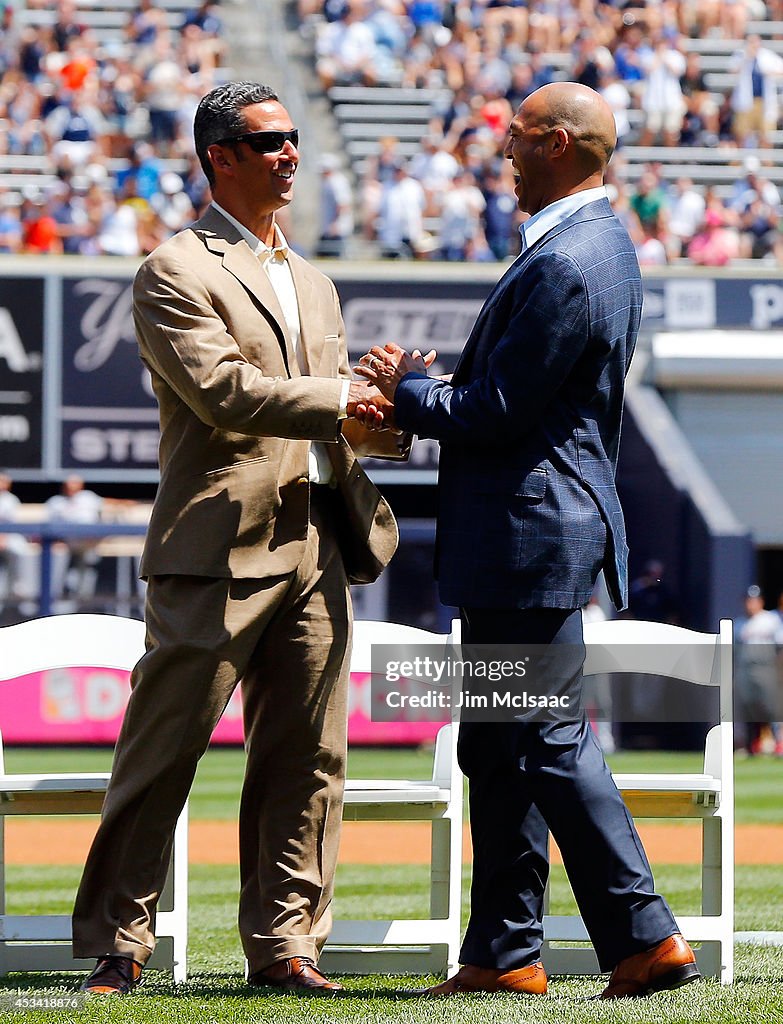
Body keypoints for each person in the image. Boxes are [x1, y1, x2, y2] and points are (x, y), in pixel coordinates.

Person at [357, 82, 699, 1000]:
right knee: (496, 747)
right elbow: (519, 398)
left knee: (543, 738)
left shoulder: (567, 259)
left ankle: (644, 934)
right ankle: (503, 953)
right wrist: (436, 390)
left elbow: (495, 410)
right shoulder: (595, 245)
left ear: (554, 144)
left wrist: (406, 394)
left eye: (514, 134)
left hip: (527, 537)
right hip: (531, 533)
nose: (500, 148)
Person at [72, 81, 404, 997]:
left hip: (317, 539)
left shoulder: (315, 279)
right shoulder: (174, 269)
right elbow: (224, 394)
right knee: (163, 748)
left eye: (294, 138)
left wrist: (391, 412)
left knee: (309, 757)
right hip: (216, 546)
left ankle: (286, 946)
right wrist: (345, 399)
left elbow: (337, 411)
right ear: (218, 155)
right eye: (268, 142)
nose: (289, 154)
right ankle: (118, 943)